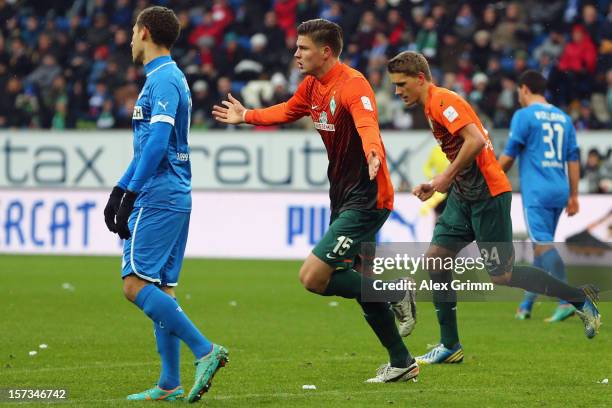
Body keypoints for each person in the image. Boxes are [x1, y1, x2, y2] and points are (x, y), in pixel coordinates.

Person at [212, 18, 418, 383]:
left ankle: (395, 290)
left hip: (368, 197)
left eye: (303, 48)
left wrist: (373, 153)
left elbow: (368, 126)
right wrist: (247, 116)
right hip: (343, 196)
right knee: (359, 282)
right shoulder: (311, 86)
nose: (296, 53)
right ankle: (402, 362)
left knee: (313, 276)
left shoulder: (354, 85)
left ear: (325, 51)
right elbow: (287, 110)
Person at [386, 51, 601, 365]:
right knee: (436, 260)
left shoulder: (442, 102)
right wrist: (438, 182)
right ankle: (450, 345)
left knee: (502, 275)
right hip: (465, 194)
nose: (397, 91)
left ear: (420, 78)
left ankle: (578, 298)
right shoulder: (433, 107)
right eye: (394, 85)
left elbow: (474, 141)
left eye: (401, 83)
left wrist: (444, 177)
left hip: (488, 194)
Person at [103, 6, 227, 402]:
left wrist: (134, 192)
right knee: (162, 290)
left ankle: (205, 350)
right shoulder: (162, 79)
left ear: (143, 32)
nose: (129, 40)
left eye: (132, 32)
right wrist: (119, 189)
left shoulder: (165, 80)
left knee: (134, 284)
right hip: (169, 193)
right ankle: (170, 382)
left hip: (159, 195)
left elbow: (157, 144)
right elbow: (145, 148)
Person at [499, 70, 580, 322]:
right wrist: (574, 195)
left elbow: (510, 155)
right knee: (540, 249)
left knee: (543, 245)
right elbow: (573, 158)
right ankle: (526, 305)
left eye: (518, 93)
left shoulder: (524, 116)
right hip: (560, 188)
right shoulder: (564, 118)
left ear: (524, 89)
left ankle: (567, 299)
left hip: (537, 191)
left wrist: (488, 178)